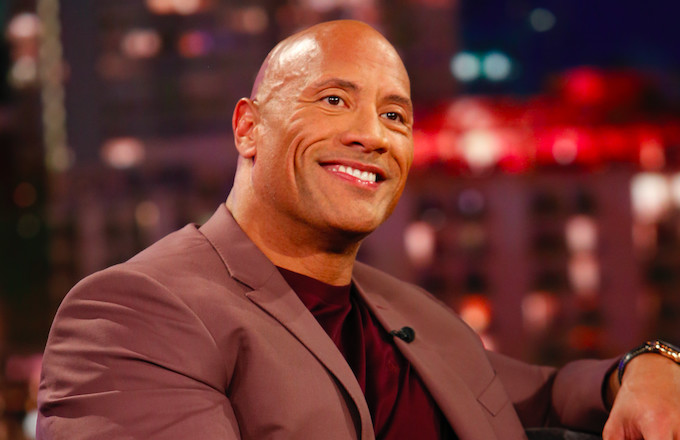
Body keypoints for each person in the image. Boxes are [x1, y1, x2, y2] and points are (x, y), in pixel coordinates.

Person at [37, 20, 680, 440]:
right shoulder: (134, 311)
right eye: (333, 100)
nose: (372, 135)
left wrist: (646, 365)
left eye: (395, 115)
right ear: (249, 128)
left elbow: (547, 395)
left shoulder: (415, 315)